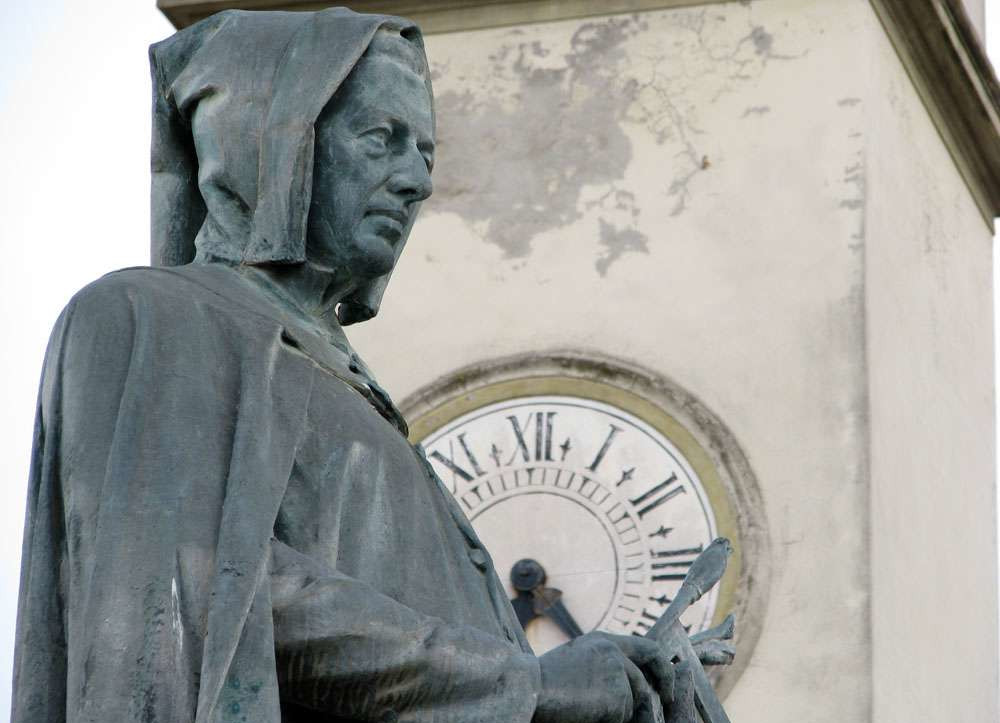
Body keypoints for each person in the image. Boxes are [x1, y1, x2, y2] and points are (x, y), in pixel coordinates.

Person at [11, 9, 686, 723]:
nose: (415, 182)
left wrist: (596, 683)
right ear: (268, 142)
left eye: (424, 155)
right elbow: (189, 583)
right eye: (380, 140)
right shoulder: (149, 315)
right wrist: (532, 687)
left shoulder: (359, 392)